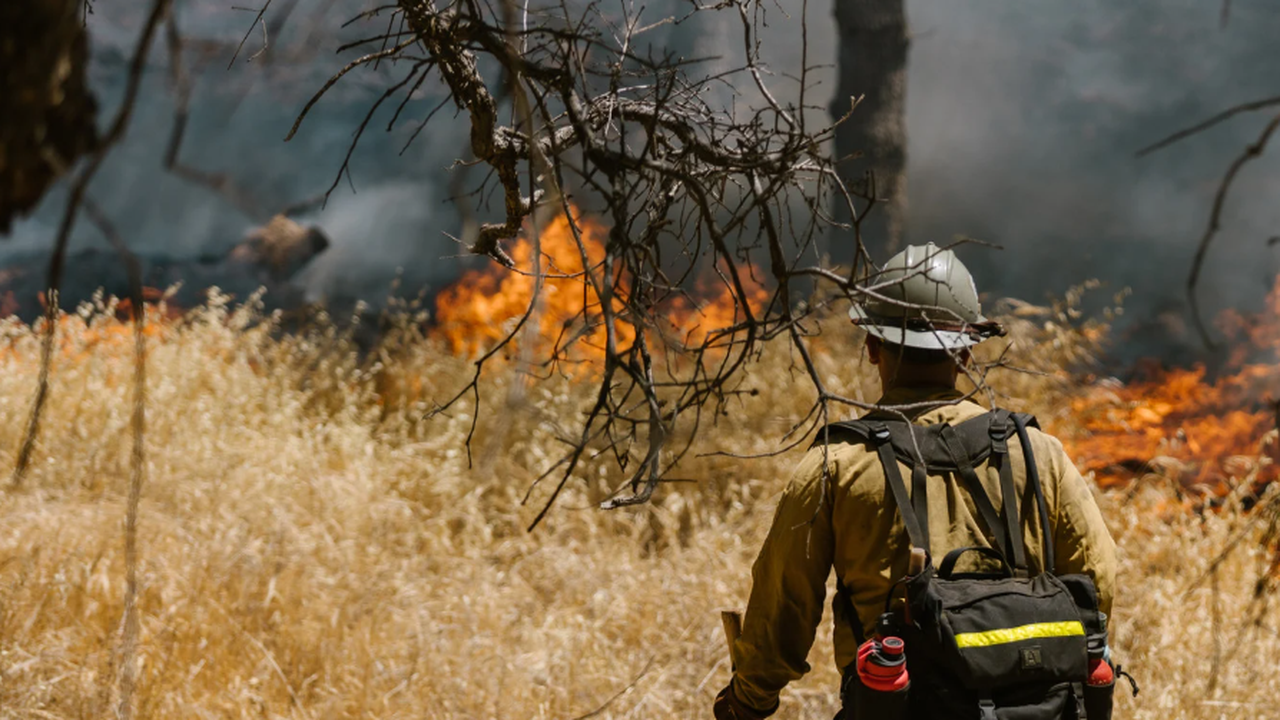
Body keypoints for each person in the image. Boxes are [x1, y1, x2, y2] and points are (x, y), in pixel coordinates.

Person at [713, 243, 1118, 719]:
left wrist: (747, 701)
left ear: (871, 347)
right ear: (965, 353)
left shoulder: (836, 466)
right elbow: (1098, 579)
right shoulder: (1038, 454)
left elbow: (784, 606)